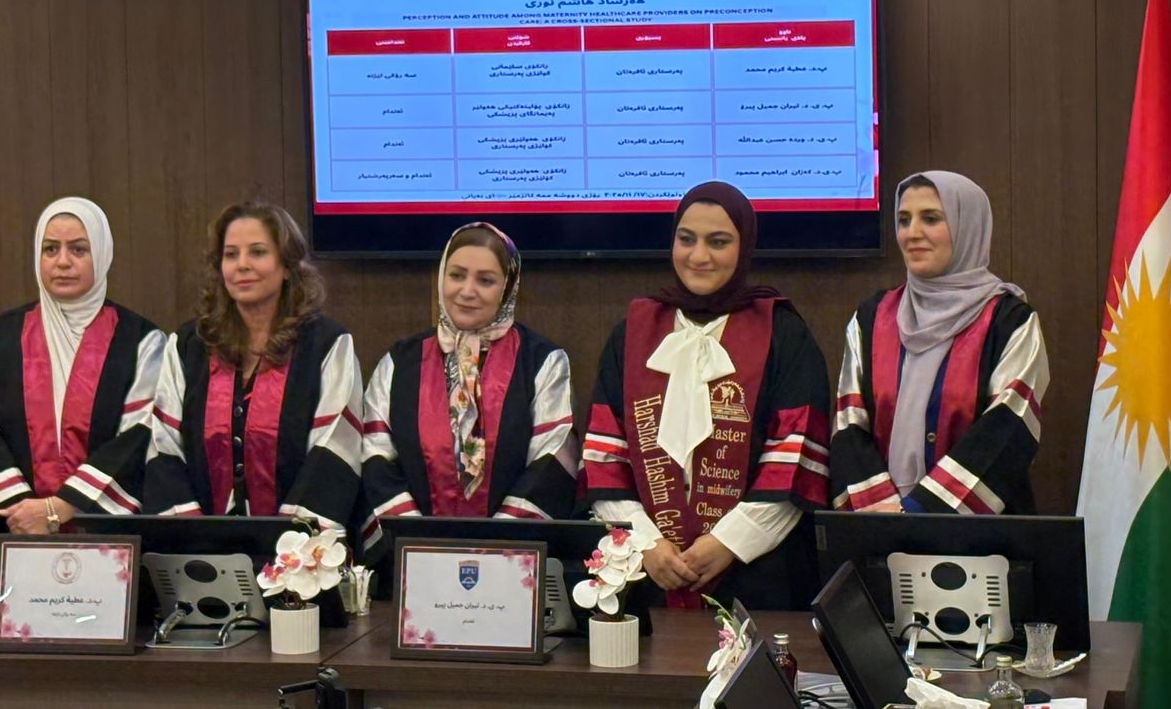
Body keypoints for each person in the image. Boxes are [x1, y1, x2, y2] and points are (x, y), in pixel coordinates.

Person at [583, 181, 832, 611]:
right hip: (645, 573)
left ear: (744, 247)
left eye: (718, 242)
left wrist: (727, 543)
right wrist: (645, 542)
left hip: (755, 573)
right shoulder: (633, 333)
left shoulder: (783, 334)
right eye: (686, 239)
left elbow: (793, 459)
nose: (698, 256)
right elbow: (605, 454)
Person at [350, 222, 577, 558]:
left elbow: (551, 460)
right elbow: (375, 455)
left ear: (508, 286)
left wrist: (494, 546)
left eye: (485, 280)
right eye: (456, 275)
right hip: (410, 558)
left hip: (511, 562)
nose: (467, 291)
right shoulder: (399, 362)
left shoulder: (543, 362)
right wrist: (419, 544)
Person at [829, 171, 1049, 515]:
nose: (912, 233)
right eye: (904, 220)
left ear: (968, 227)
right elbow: (850, 422)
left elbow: (1007, 429)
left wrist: (918, 512)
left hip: (978, 533)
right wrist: (882, 515)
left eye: (930, 219)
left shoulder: (1009, 321)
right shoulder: (872, 318)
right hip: (878, 525)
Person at [0, 198, 166, 538]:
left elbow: (141, 433)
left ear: (102, 254)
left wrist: (61, 507)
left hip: (106, 536)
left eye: (78, 249)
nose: (62, 262)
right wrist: (24, 510)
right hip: (17, 529)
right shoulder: (0, 336)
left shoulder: (142, 341)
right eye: (50, 249)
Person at [143, 200, 362, 526]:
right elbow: (164, 447)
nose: (242, 265)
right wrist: (193, 534)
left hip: (298, 547)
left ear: (287, 266)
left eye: (257, 252)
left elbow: (334, 450)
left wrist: (291, 543)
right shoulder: (190, 345)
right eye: (231, 255)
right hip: (200, 544)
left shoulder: (326, 345)